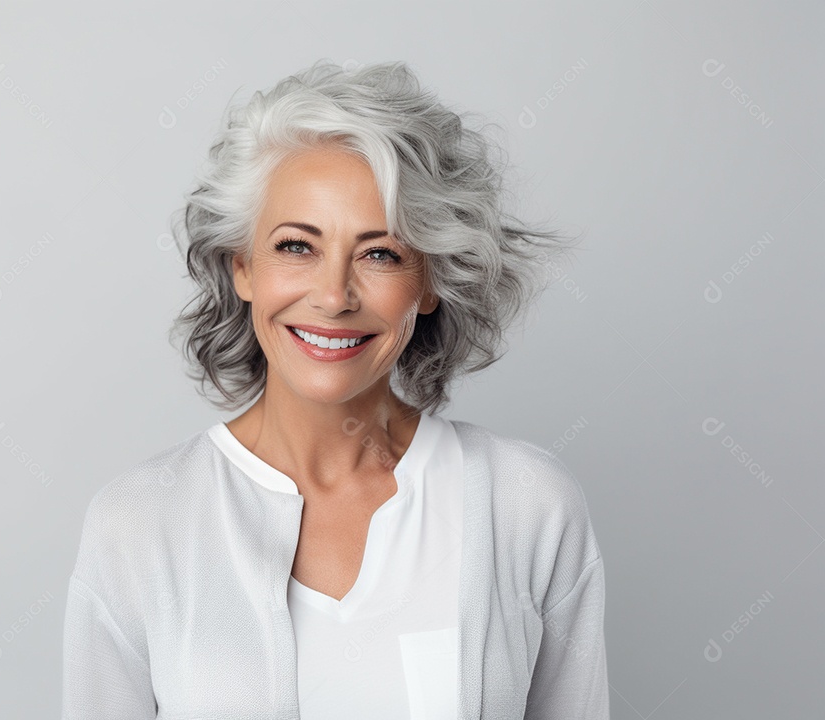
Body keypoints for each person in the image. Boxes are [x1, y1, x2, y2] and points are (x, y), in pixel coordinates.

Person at [62, 59, 609, 720]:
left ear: (430, 281)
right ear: (243, 267)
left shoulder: (528, 505)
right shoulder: (138, 524)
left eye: (380, 254)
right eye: (297, 246)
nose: (332, 296)